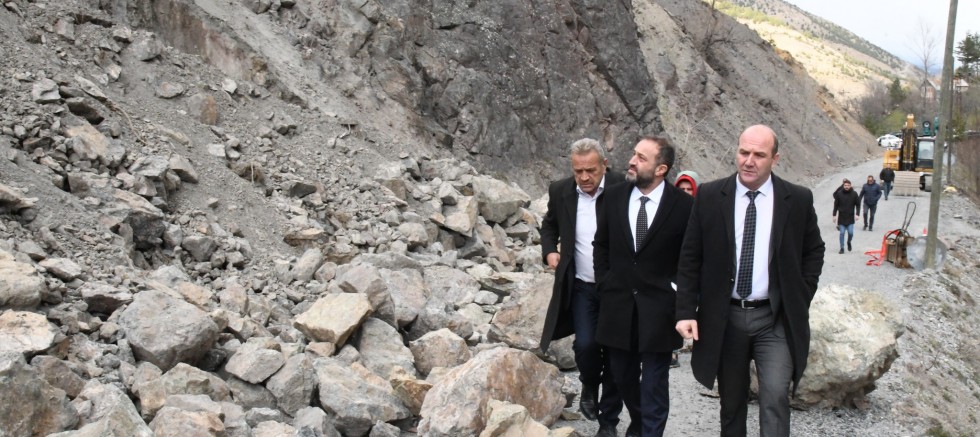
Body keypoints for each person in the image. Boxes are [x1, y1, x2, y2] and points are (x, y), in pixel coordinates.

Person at [675, 125, 825, 437]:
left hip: (774, 319)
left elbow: (814, 250)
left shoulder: (796, 199)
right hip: (726, 318)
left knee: (775, 395)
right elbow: (690, 257)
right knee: (731, 402)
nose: (749, 161)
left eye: (759, 155)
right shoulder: (710, 196)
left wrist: (801, 293)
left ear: (775, 159)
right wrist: (686, 311)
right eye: (744, 152)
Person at [594, 135, 693, 437]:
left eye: (641, 158)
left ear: (661, 169)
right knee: (622, 376)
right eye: (634, 154)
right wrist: (605, 282)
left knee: (654, 384)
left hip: (659, 309)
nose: (632, 161)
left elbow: (690, 257)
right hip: (618, 306)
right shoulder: (613, 197)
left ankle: (650, 431)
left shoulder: (684, 206)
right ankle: (639, 422)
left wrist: (678, 294)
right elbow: (602, 245)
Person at [539, 138, 630, 435]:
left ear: (605, 165)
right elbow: (549, 224)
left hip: (617, 287)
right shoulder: (561, 190)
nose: (584, 177)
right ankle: (589, 382)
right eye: (578, 171)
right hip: (580, 285)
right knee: (586, 344)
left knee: (616, 354)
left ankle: (609, 422)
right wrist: (550, 250)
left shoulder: (623, 187)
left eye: (591, 170)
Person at [671, 170, 701, 368]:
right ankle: (672, 349)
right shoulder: (669, 210)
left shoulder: (703, 211)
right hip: (673, 268)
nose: (685, 192)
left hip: (696, 268)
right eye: (681, 189)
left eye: (689, 189)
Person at [832, 179, 860, 254]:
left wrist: (857, 214)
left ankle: (849, 242)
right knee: (842, 233)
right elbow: (835, 205)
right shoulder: (839, 194)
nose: (846, 187)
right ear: (843, 186)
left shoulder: (854, 194)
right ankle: (842, 248)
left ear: (850, 186)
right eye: (845, 185)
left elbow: (858, 204)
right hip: (842, 217)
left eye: (848, 185)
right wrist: (834, 215)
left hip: (850, 217)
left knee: (850, 233)